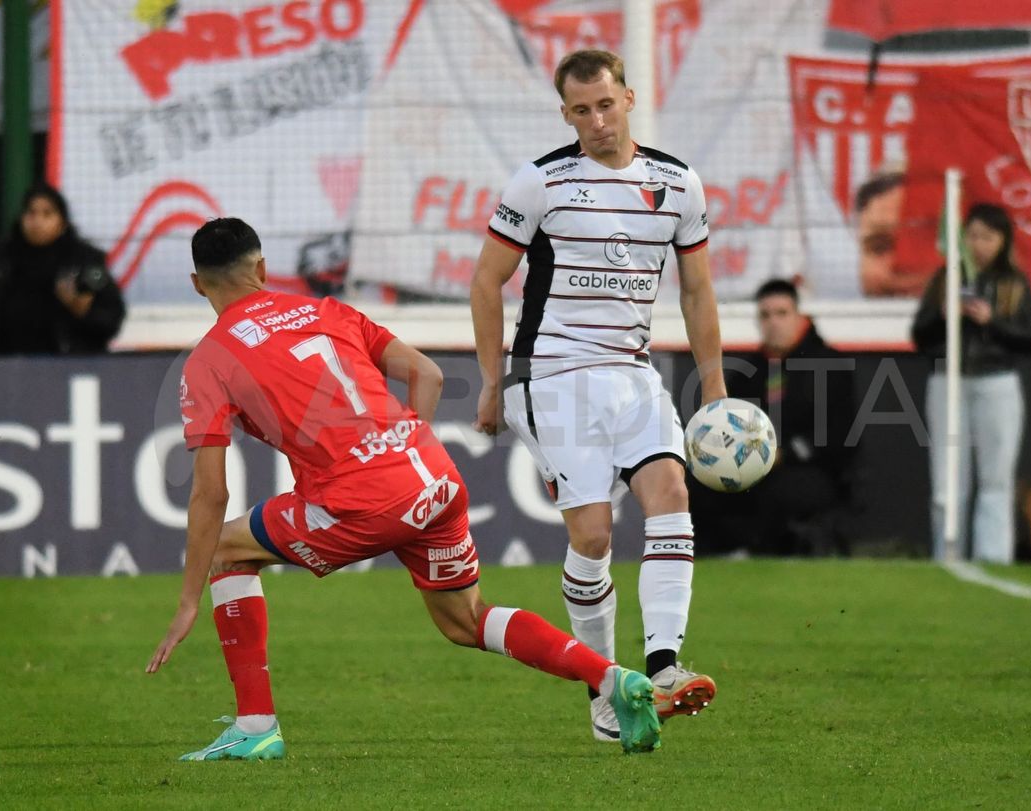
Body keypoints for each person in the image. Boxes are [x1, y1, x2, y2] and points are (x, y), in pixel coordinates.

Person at [146, 218, 663, 760]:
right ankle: (610, 679)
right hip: (432, 477)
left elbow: (210, 494)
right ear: (262, 269)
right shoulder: (327, 310)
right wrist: (395, 459)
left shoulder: (208, 361)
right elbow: (428, 374)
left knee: (227, 549)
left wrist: (187, 601)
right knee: (467, 619)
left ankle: (256, 728)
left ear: (198, 284)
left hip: (357, 501)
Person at [470, 49, 724, 744]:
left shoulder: (676, 183)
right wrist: (493, 382)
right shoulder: (541, 182)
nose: (597, 121)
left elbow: (698, 291)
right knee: (593, 534)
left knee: (670, 492)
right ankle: (606, 685)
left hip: (632, 371)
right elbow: (486, 280)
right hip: (550, 374)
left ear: (630, 98)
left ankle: (665, 667)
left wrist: (717, 389)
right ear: (565, 114)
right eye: (581, 110)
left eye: (606, 105)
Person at [911, 203, 1031, 563]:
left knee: (996, 477)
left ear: (1003, 240)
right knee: (947, 479)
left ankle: (993, 557)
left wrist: (992, 321)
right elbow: (920, 338)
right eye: (973, 235)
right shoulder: (943, 280)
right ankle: (947, 555)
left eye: (988, 236)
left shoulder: (1014, 284)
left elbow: (1029, 340)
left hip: (997, 383)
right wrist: (944, 318)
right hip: (947, 383)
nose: (979, 244)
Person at [690, 279, 858, 556]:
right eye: (765, 315)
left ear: (799, 316)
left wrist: (784, 455)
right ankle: (713, 560)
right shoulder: (747, 373)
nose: (773, 323)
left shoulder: (830, 366)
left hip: (813, 470)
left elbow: (837, 436)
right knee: (701, 482)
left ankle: (757, 553)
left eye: (781, 313)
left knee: (780, 493)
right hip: (750, 465)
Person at [0, 183, 125, 356]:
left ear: (62, 223)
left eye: (47, 214)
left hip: (70, 366)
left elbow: (111, 318)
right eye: (31, 213)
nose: (37, 221)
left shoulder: (86, 262)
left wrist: (83, 311)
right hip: (11, 368)